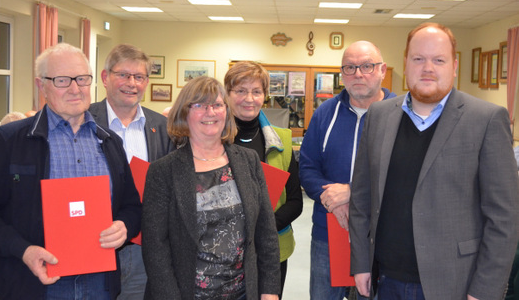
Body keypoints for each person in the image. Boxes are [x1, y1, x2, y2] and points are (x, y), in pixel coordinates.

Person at [349, 23, 519, 300]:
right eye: (418, 59)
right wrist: (360, 263)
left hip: (455, 284)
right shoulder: (379, 115)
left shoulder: (486, 120)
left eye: (438, 60)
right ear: (406, 64)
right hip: (385, 280)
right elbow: (361, 198)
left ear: (454, 66)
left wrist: (485, 290)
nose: (428, 68)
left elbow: (504, 218)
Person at [0, 43, 142, 299]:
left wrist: (124, 226)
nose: (75, 89)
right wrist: (24, 251)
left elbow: (132, 207)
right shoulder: (12, 139)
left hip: (99, 285)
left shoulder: (110, 142)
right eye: (62, 80)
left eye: (82, 79)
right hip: (33, 284)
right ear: (42, 85)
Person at [142, 76, 280, 300]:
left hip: (244, 293)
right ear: (184, 113)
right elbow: (155, 248)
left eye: (217, 105)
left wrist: (270, 290)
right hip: (188, 294)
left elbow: (266, 232)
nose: (210, 112)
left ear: (226, 111)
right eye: (199, 105)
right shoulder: (163, 171)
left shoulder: (248, 161)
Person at [299, 41, 394, 299]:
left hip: (382, 237)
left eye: (367, 66)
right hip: (329, 233)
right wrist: (332, 200)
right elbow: (307, 168)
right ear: (342, 74)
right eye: (350, 68)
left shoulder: (401, 115)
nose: (358, 74)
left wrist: (352, 192)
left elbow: (405, 175)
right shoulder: (324, 113)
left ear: (382, 70)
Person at [89, 44, 174, 300]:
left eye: (139, 77)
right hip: (95, 240)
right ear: (105, 77)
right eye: (123, 75)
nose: (131, 83)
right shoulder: (84, 120)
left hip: (143, 247)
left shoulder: (162, 126)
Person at [224, 61, 303, 298]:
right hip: (223, 252)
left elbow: (295, 202)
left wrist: (262, 231)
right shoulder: (213, 139)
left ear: (264, 96)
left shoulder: (282, 140)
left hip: (272, 251)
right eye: (240, 91)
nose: (249, 98)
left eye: (256, 91)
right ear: (227, 94)